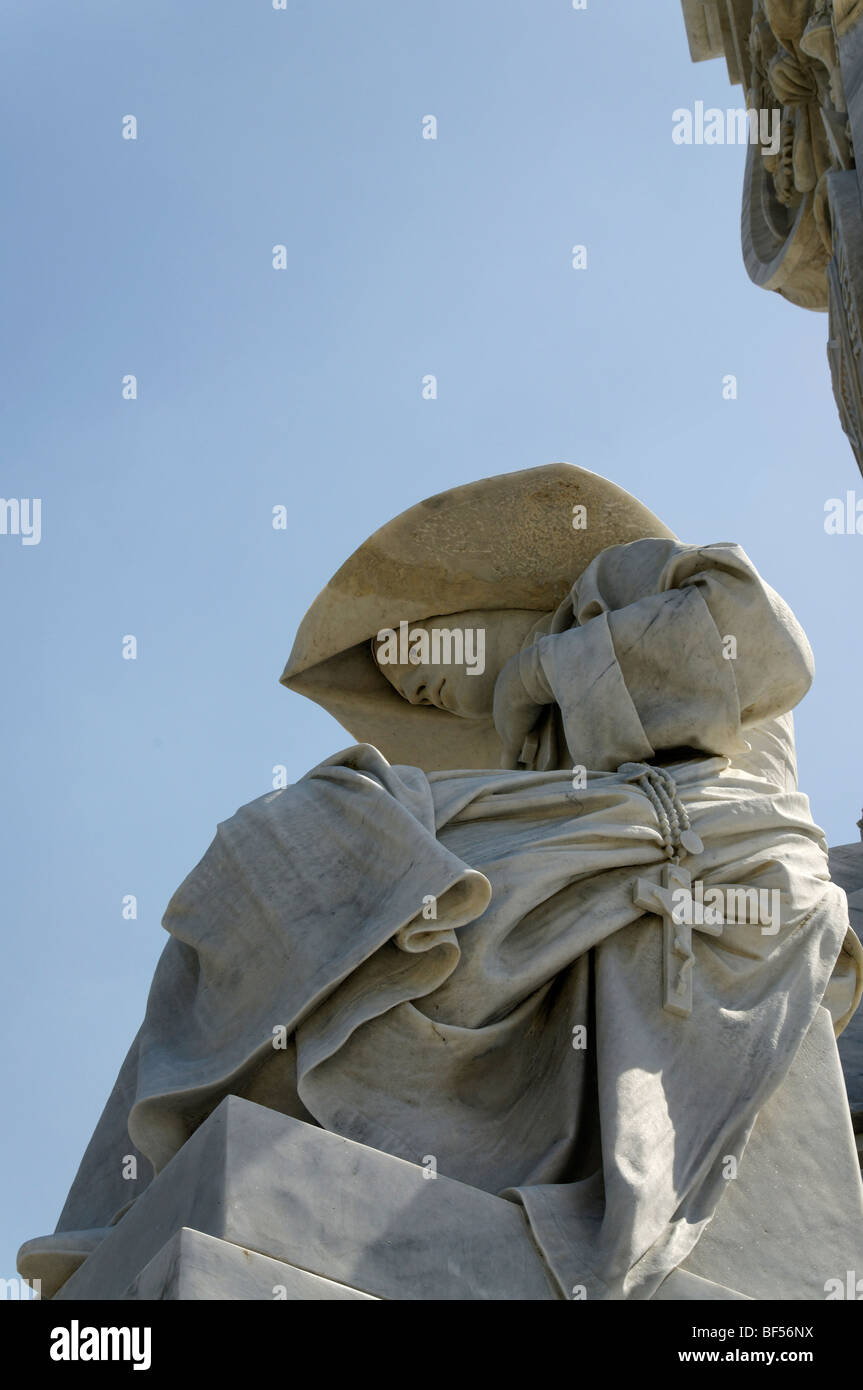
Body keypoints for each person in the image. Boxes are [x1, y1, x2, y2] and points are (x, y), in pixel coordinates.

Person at [19, 463, 862, 1300]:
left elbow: (766, 643)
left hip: (701, 837)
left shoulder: (614, 586)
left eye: (408, 648)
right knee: (293, 846)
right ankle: (135, 1199)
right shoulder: (532, 760)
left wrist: (542, 668)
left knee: (325, 822)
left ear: (487, 605)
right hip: (603, 836)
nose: (405, 682)